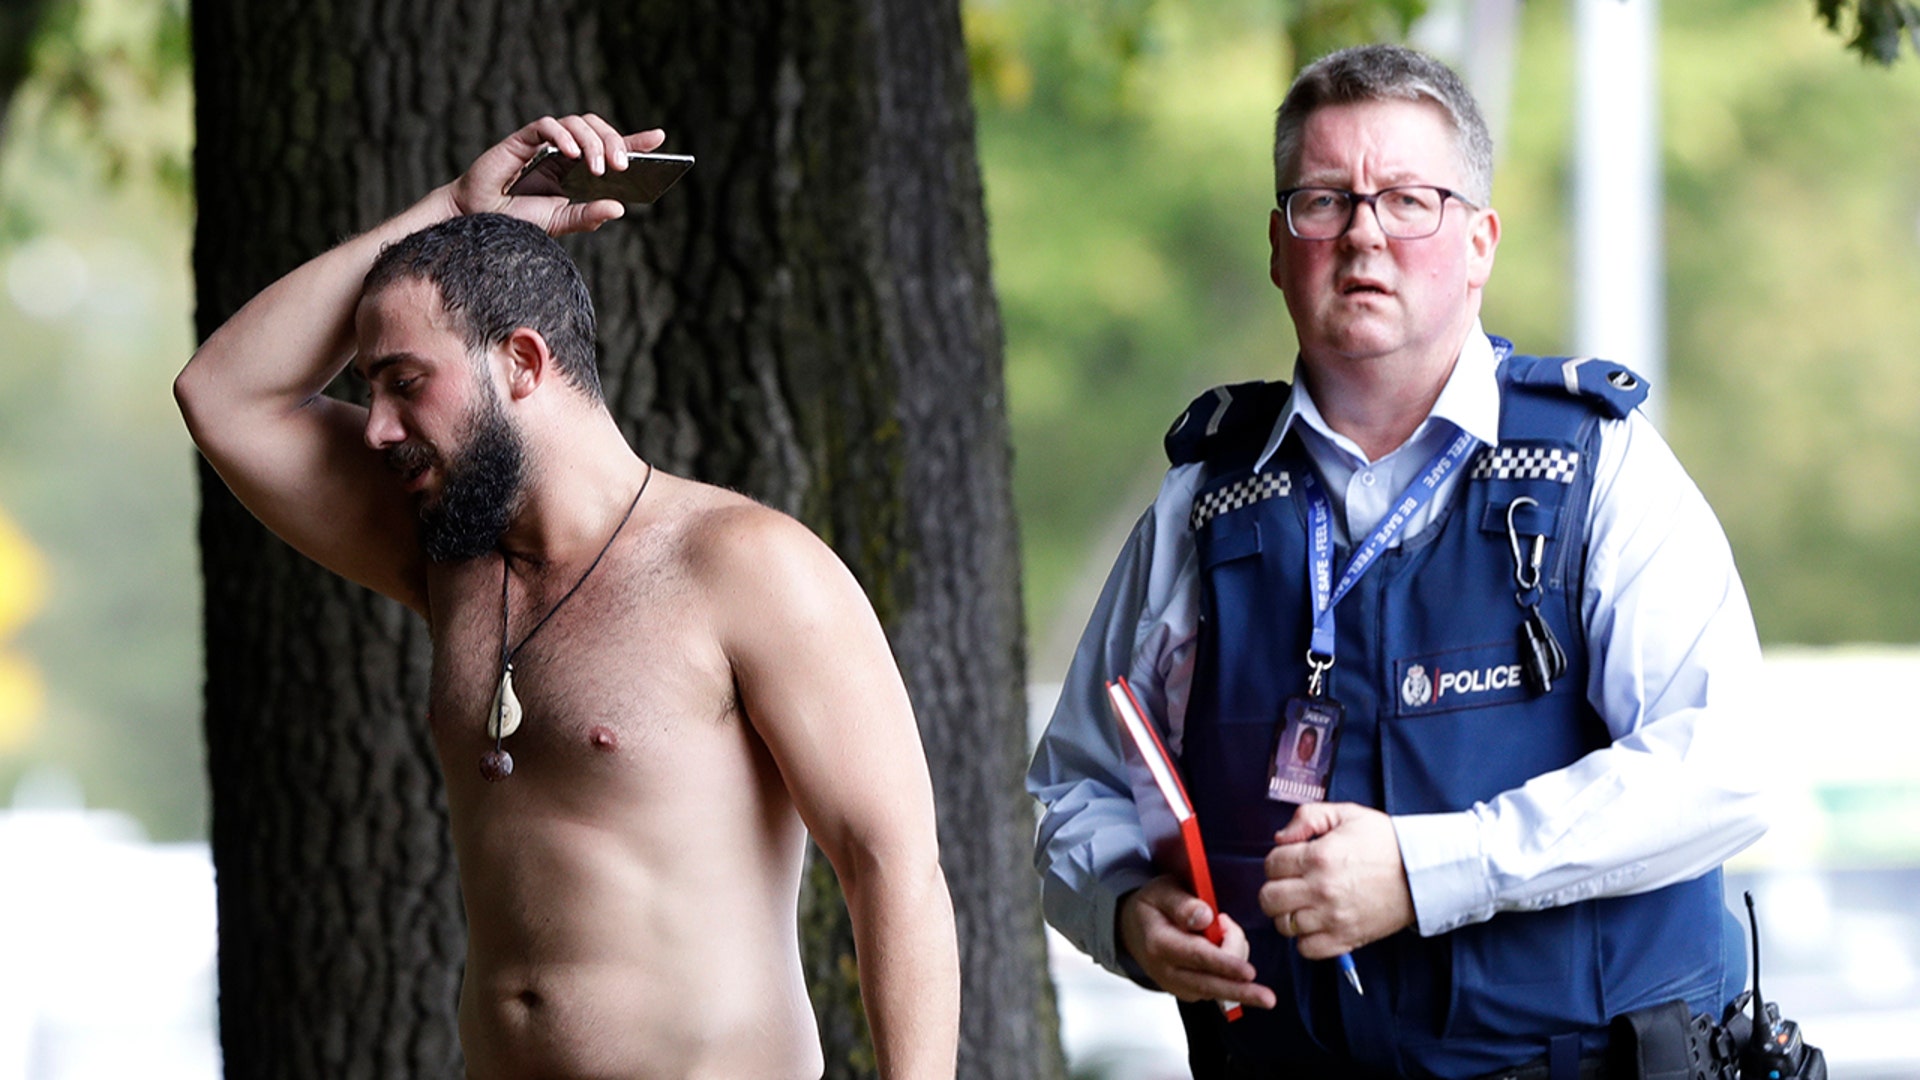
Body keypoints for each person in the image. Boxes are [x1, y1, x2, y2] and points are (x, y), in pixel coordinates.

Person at [1028, 45, 1769, 1080]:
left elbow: (1723, 768)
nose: (1364, 233)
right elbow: (1074, 784)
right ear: (1280, 249)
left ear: (1478, 244)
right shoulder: (1202, 501)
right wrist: (1124, 910)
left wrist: (1432, 872)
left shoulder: (1601, 465)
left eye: (1409, 200)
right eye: (1323, 201)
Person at [175, 114, 960, 1080]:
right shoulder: (453, 558)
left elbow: (893, 867)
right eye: (368, 389)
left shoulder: (745, 563)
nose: (375, 428)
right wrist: (450, 214)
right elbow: (223, 396)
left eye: (403, 383)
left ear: (523, 362)